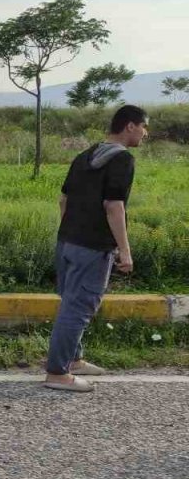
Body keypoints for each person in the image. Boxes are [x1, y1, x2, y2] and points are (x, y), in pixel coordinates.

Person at [44, 105, 149, 392]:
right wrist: (125, 251)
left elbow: (63, 200)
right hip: (92, 247)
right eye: (143, 126)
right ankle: (57, 373)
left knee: (70, 302)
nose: (145, 133)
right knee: (78, 308)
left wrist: (70, 232)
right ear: (129, 126)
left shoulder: (85, 155)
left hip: (67, 242)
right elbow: (114, 207)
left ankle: (74, 360)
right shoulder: (122, 160)